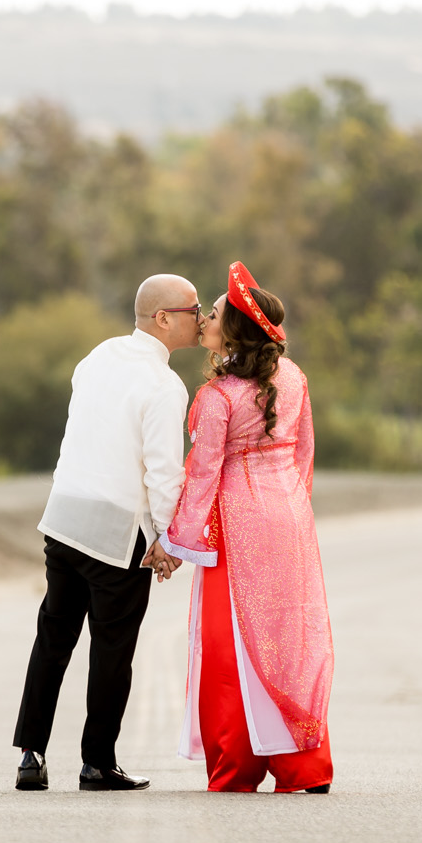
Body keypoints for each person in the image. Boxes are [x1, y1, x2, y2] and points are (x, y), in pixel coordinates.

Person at [11, 274, 202, 792]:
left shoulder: (97, 356)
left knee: (53, 636)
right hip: (116, 531)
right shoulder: (164, 385)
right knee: (112, 649)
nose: (202, 317)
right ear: (164, 318)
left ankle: (30, 755)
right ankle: (97, 762)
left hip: (65, 516)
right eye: (193, 309)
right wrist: (167, 539)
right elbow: (163, 472)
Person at [158, 262, 334, 793]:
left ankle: (237, 764)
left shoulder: (218, 398)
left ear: (231, 330)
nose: (204, 319)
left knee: (231, 641)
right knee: (287, 637)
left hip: (238, 526)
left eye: (212, 313)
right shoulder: (295, 377)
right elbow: (303, 456)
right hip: (290, 519)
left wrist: (176, 542)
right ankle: (305, 766)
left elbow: (203, 475)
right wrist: (292, 511)